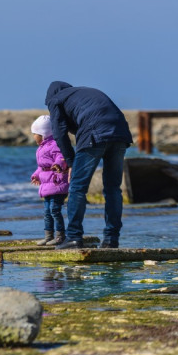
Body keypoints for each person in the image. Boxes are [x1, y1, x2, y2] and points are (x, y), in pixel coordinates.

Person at [45, 81, 133, 249]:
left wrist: (70, 163)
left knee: (77, 187)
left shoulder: (56, 100)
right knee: (113, 188)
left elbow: (59, 133)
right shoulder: (83, 93)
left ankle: (73, 237)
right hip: (120, 132)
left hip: (94, 134)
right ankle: (111, 239)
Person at [29, 115, 69, 246]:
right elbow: (42, 166)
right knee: (47, 212)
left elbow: (61, 157)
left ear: (43, 133)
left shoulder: (55, 144)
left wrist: (58, 164)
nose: (34, 136)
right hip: (47, 185)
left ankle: (60, 236)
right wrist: (36, 175)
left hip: (57, 183)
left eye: (35, 133)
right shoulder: (41, 148)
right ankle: (48, 235)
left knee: (54, 210)